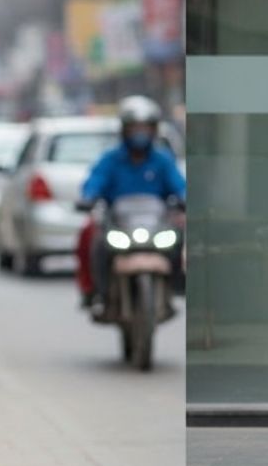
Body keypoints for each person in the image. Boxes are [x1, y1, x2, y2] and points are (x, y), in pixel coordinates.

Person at [75, 96, 187, 314]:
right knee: (91, 237)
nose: (140, 133)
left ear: (153, 130)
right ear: (125, 130)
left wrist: (184, 199)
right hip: (120, 223)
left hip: (154, 224)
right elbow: (94, 182)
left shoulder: (162, 160)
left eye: (145, 127)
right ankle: (94, 290)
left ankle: (176, 286)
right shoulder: (111, 159)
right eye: (135, 127)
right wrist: (88, 197)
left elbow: (179, 185)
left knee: (180, 236)